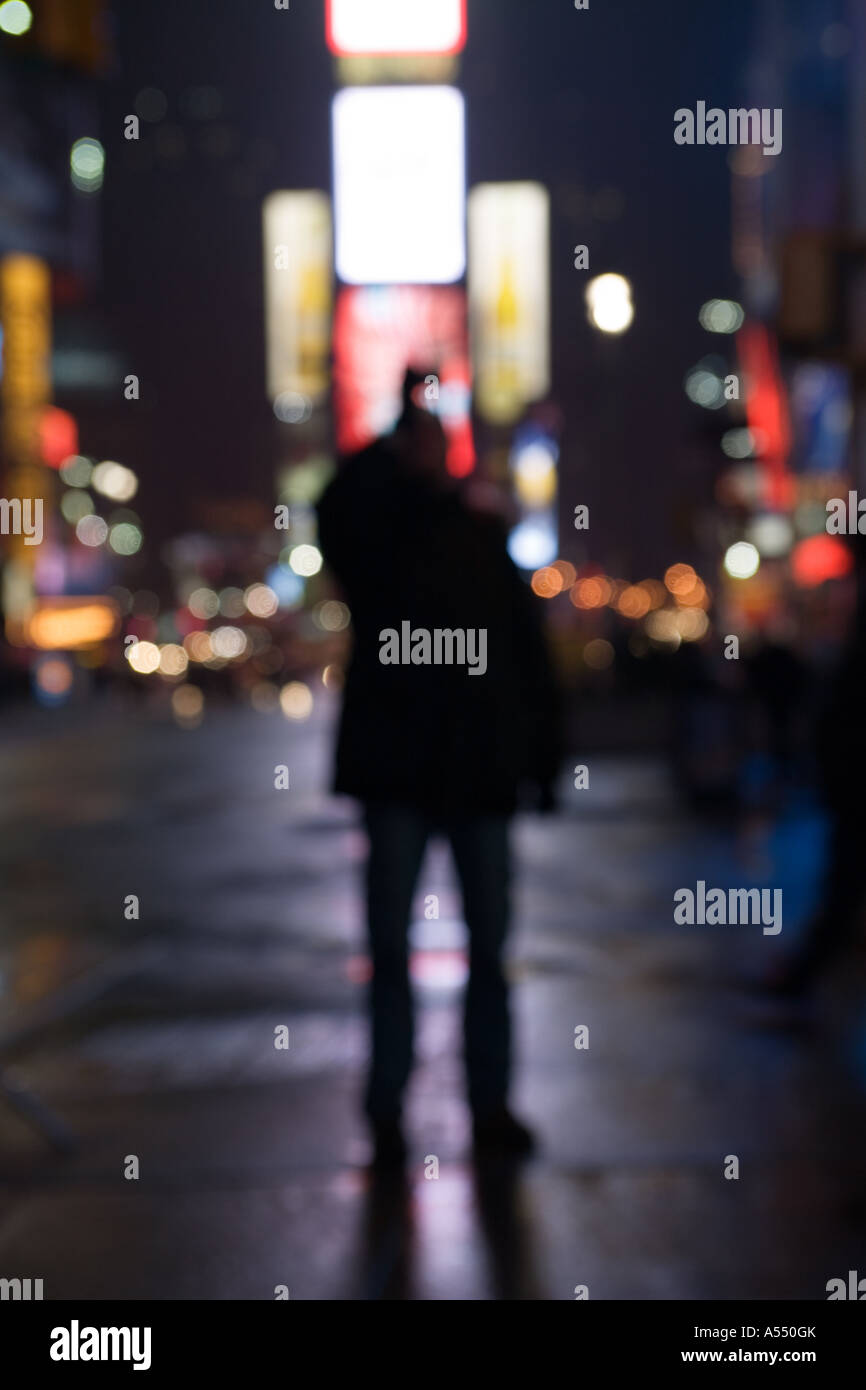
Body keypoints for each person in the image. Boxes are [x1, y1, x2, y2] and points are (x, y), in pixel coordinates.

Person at [317, 369, 562, 1166]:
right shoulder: (379, 530)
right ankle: (400, 1109)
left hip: (462, 773)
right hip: (420, 773)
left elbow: (527, 655)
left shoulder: (473, 536)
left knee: (480, 952)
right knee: (403, 951)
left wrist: (547, 757)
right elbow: (336, 508)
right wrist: (395, 431)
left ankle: (476, 1105)